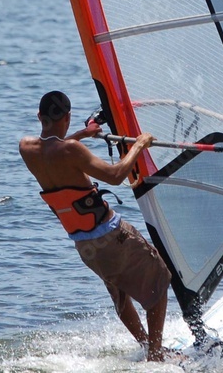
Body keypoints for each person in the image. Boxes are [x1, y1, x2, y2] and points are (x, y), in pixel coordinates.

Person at [19, 91, 173, 362]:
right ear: (66, 117)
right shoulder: (71, 150)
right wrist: (140, 144)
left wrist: (82, 133)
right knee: (160, 278)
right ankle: (157, 355)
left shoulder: (27, 148)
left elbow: (54, 147)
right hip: (112, 235)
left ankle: (147, 345)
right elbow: (115, 176)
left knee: (119, 289)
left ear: (39, 116)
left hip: (84, 244)